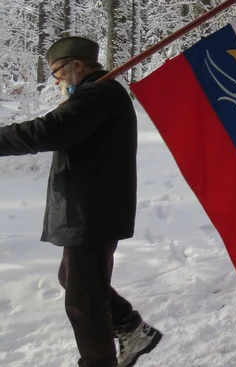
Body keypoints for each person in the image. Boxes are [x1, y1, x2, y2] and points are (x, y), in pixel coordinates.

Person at [0, 37, 162, 366]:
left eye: (58, 72)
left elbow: (46, 131)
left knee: (83, 303)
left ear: (77, 65)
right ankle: (131, 327)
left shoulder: (99, 95)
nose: (56, 80)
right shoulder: (95, 96)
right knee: (75, 282)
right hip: (89, 211)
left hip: (92, 214)